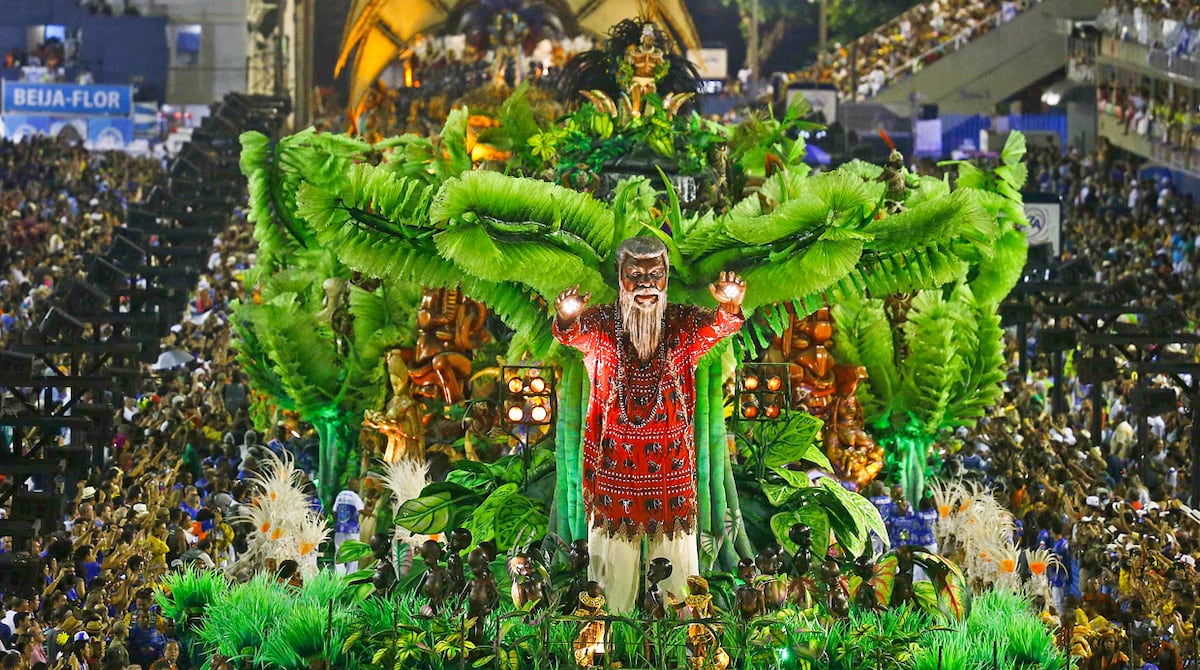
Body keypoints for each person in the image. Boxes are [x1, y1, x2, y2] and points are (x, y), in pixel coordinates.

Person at [553, 237, 746, 612]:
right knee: (610, 585)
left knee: (679, 585)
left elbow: (720, 327)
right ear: (620, 276)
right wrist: (566, 316)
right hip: (614, 476)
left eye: (655, 274)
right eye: (634, 274)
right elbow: (572, 335)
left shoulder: (682, 323)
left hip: (670, 477)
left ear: (667, 276)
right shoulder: (603, 323)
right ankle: (606, 651)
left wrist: (731, 304)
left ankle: (686, 650)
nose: (646, 283)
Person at [333, 480, 365, 575]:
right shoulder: (355, 497)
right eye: (357, 484)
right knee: (354, 550)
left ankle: (339, 575)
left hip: (340, 528)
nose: (359, 486)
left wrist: (336, 524)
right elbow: (361, 510)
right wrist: (373, 515)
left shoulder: (340, 494)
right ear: (352, 485)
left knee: (339, 550)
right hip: (352, 530)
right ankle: (351, 574)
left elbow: (334, 511)